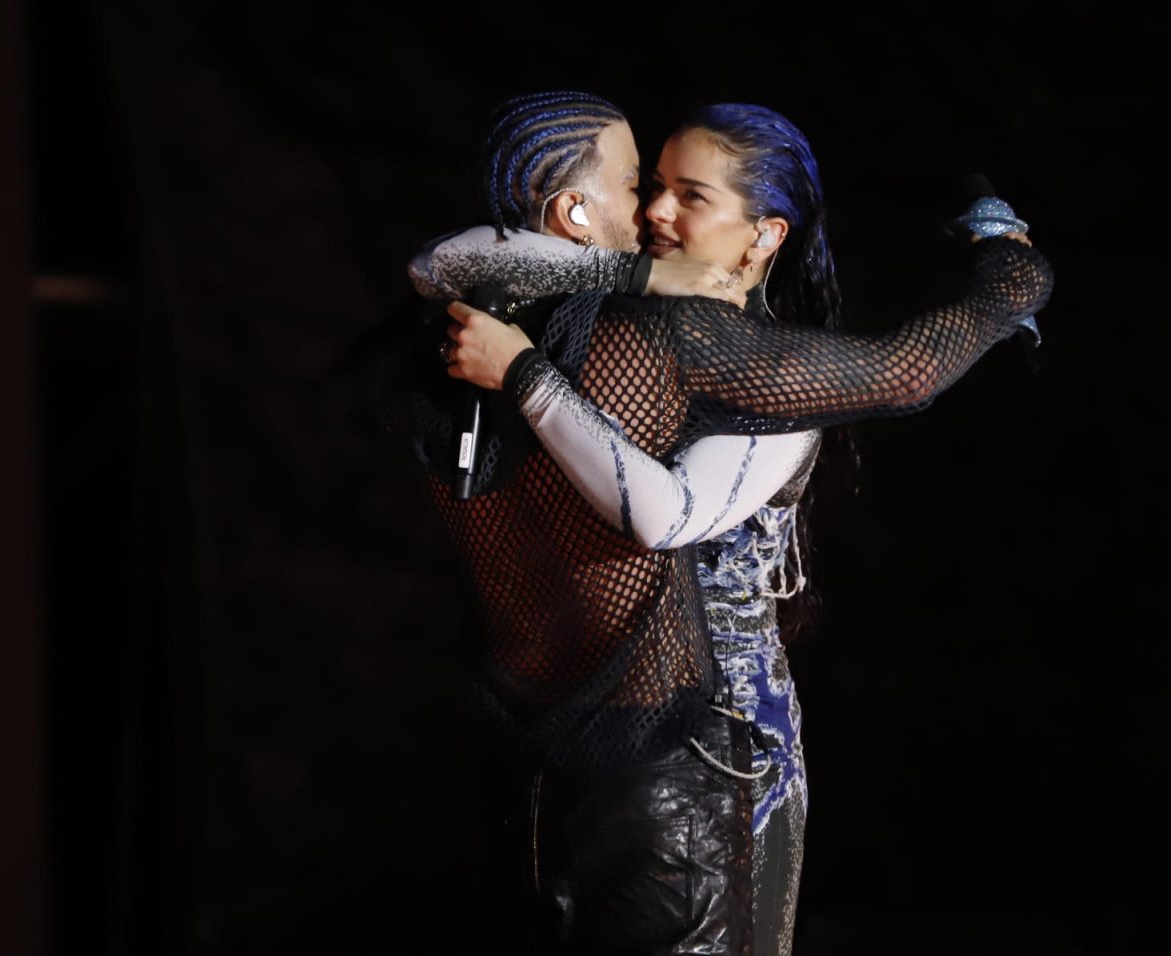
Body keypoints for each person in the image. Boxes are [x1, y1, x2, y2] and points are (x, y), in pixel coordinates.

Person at [377, 92, 1050, 954]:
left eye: (690, 196)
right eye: (649, 185)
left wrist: (1011, 278)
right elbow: (443, 263)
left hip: (697, 760)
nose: (656, 210)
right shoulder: (607, 325)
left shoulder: (751, 368)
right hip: (626, 762)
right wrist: (584, 323)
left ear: (765, 235)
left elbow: (896, 379)